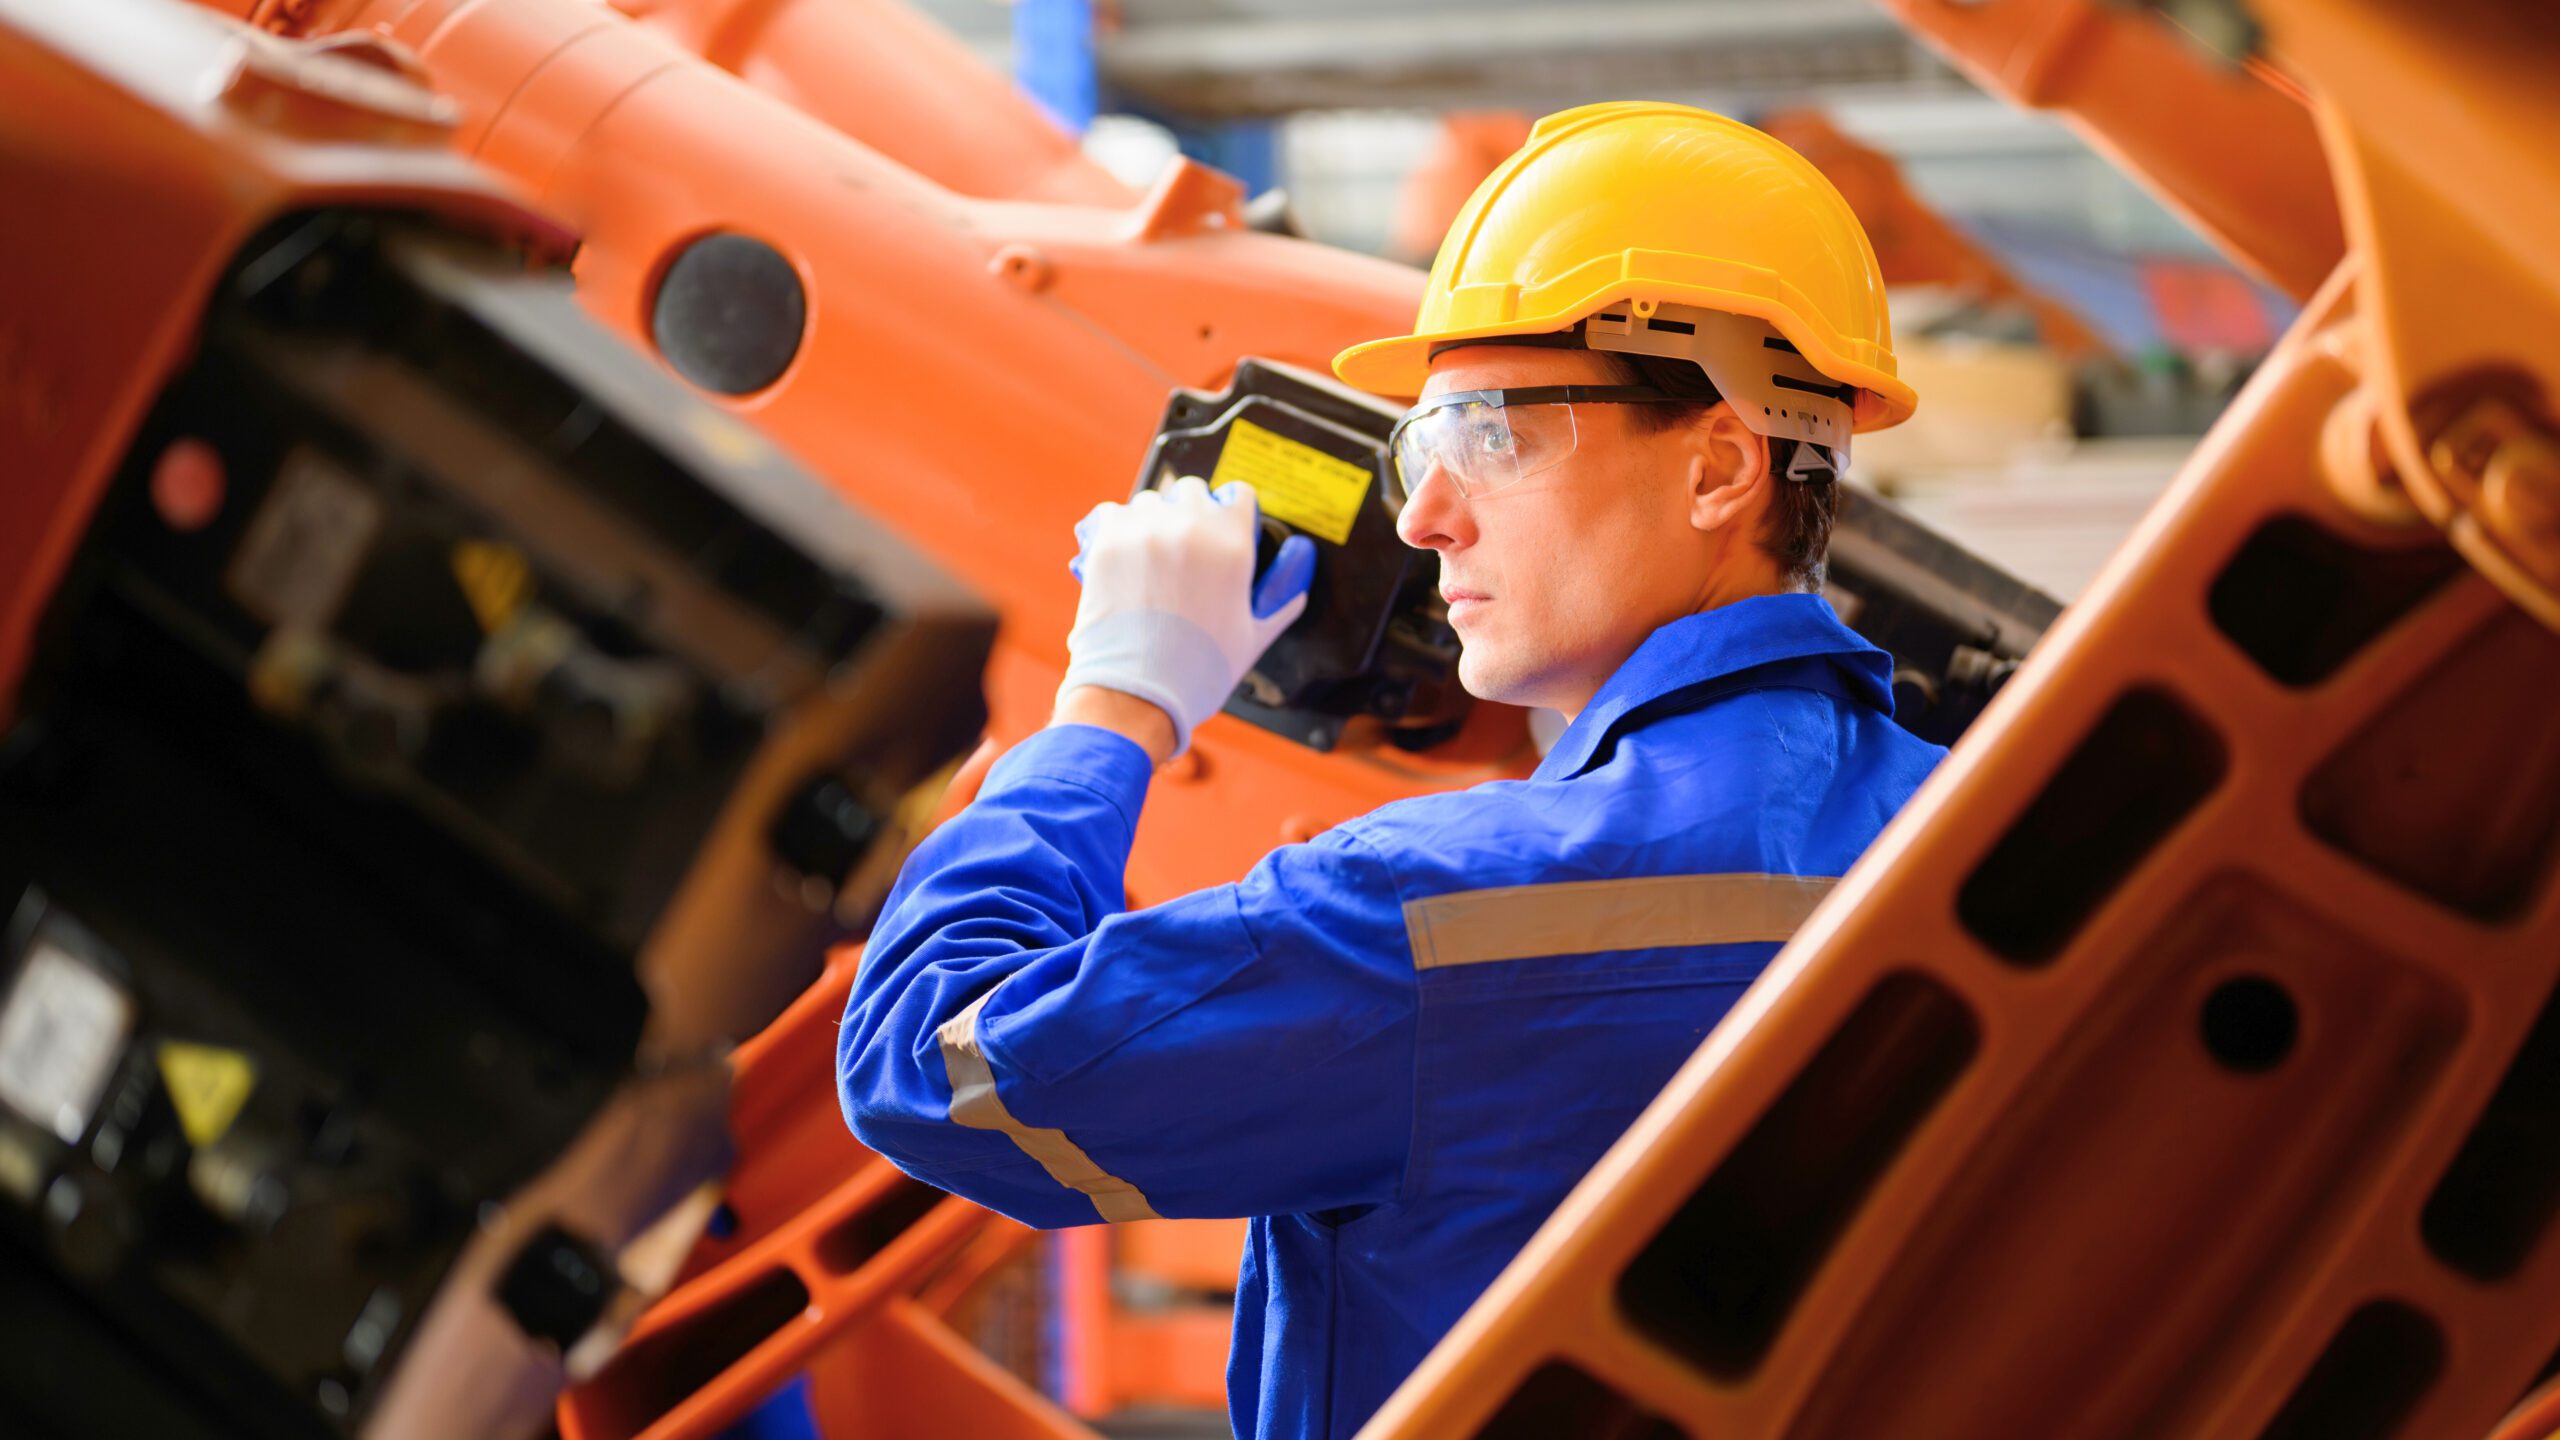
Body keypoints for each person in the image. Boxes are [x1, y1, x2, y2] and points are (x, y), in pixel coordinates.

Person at [837, 101, 1942, 1440]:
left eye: (1489, 433)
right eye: (1423, 447)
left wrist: (1113, 704)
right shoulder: (1992, 833)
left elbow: (933, 1068)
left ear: (1718, 466)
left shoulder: (1437, 920)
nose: (1423, 515)